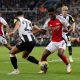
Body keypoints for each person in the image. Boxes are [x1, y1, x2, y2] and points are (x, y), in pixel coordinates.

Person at [7, 11, 44, 75]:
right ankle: (41, 64)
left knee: (11, 53)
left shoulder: (17, 19)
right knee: (25, 56)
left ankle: (16, 70)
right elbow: (33, 26)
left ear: (17, 15)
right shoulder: (28, 21)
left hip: (26, 41)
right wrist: (39, 29)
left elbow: (18, 23)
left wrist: (13, 31)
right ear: (23, 15)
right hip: (33, 41)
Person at [39, 7, 72, 74]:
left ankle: (68, 65)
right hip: (53, 41)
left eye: (52, 14)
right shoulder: (48, 21)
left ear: (54, 13)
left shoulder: (60, 19)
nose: (50, 16)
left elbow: (70, 27)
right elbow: (44, 31)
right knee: (44, 56)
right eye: (49, 15)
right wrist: (38, 29)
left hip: (62, 40)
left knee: (60, 54)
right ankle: (44, 69)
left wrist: (68, 31)